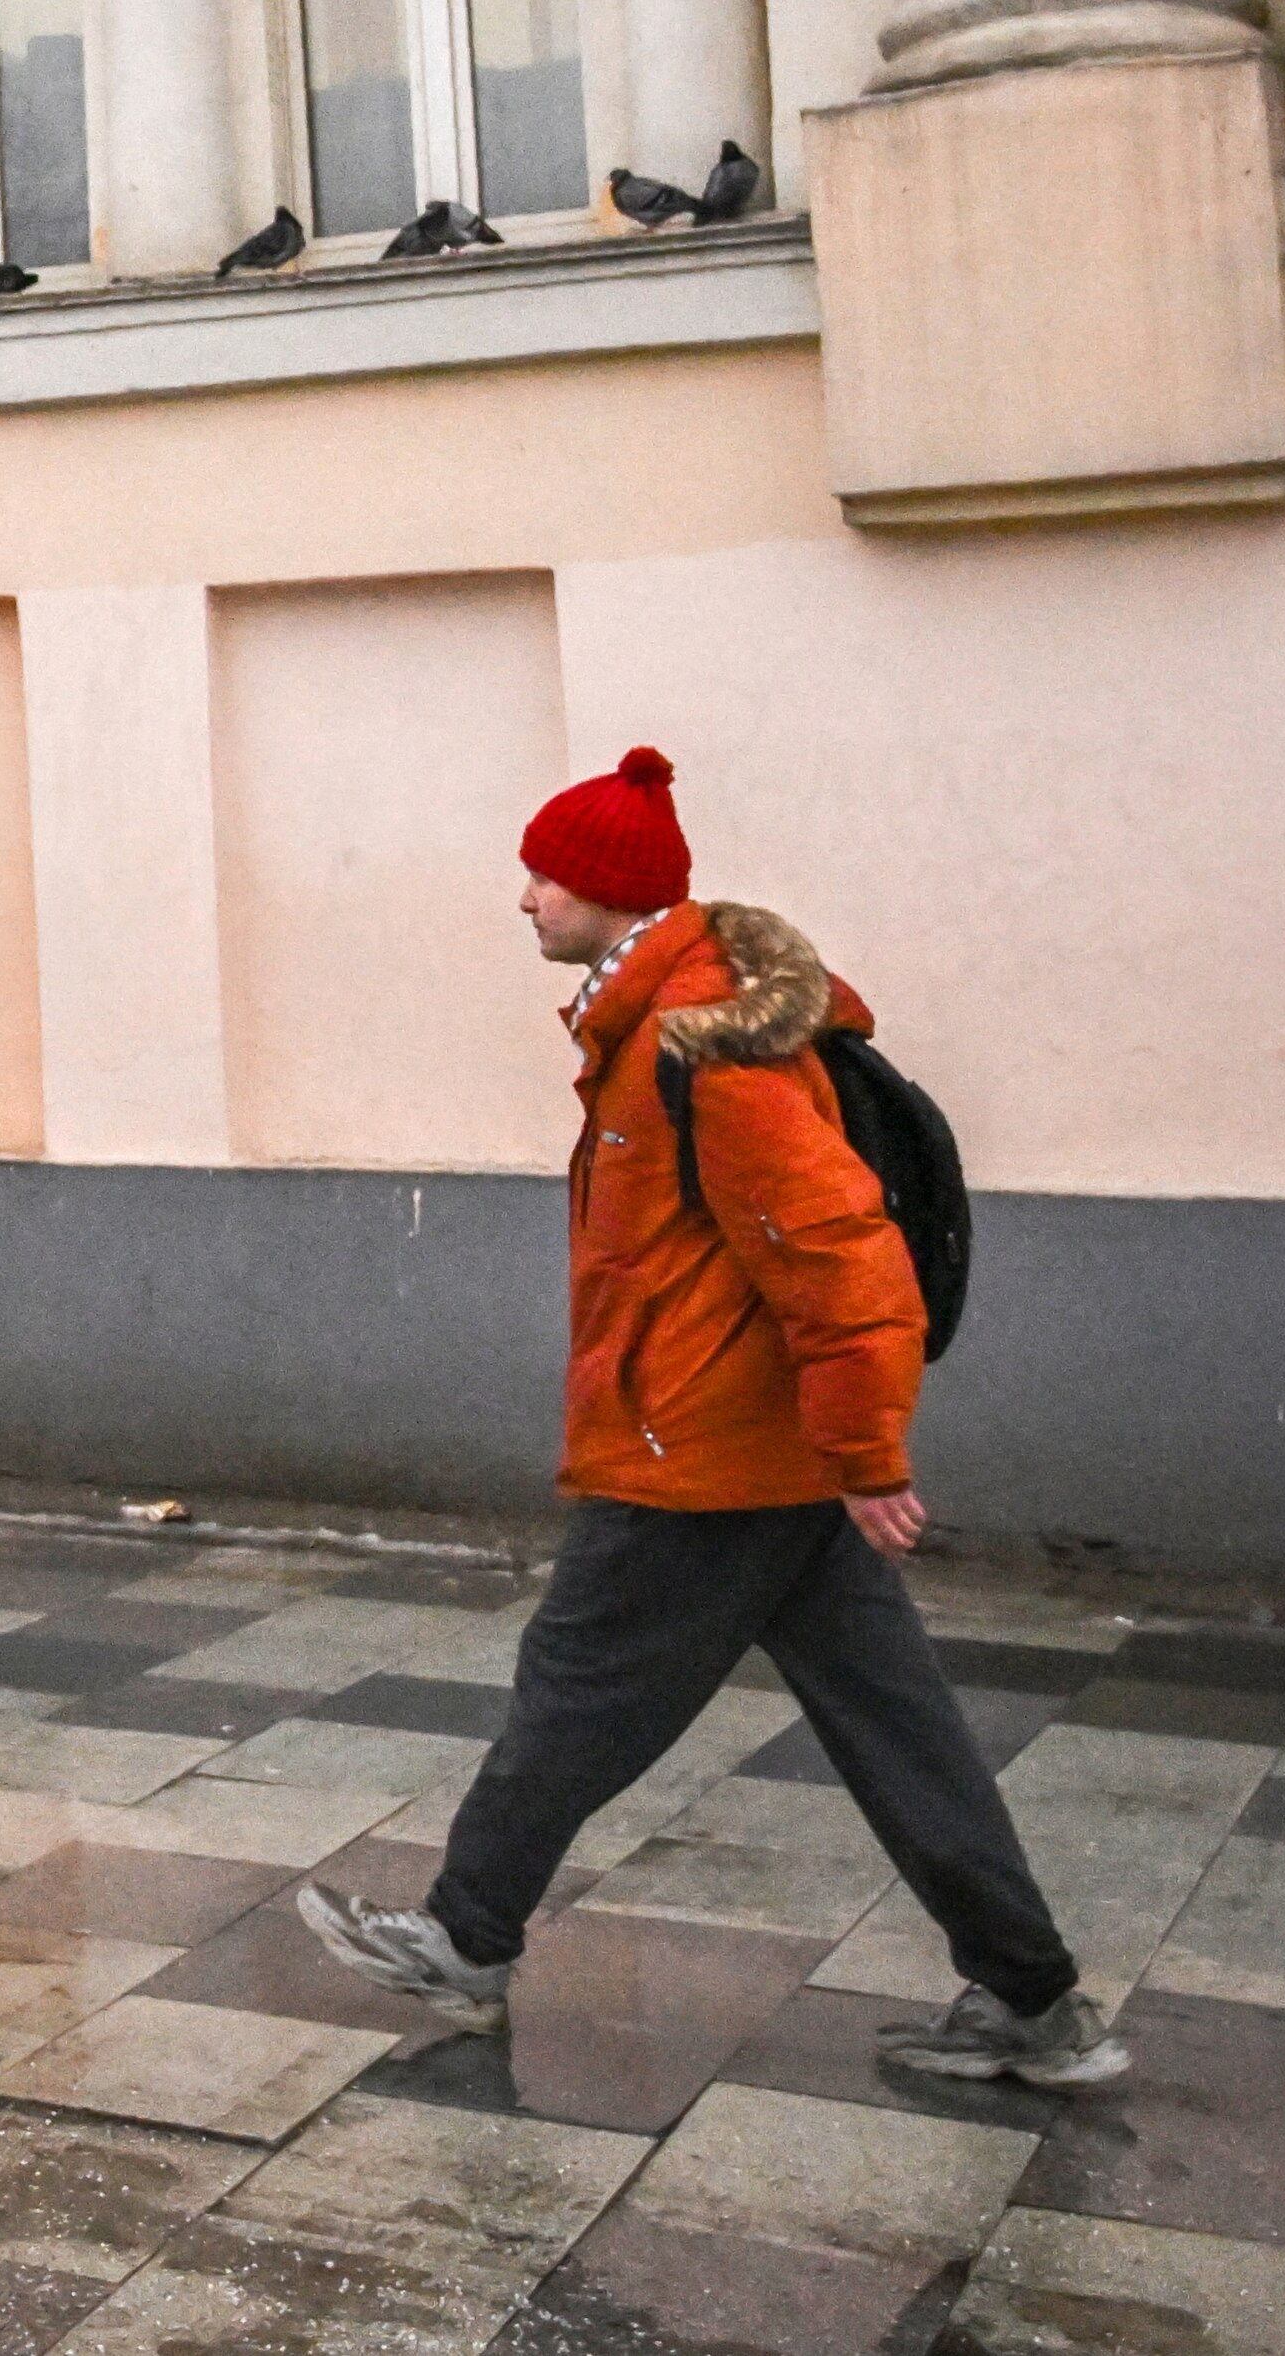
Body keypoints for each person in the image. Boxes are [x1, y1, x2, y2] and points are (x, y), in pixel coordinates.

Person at [296, 746, 1124, 2089]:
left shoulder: (707, 1048)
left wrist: (866, 1451)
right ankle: (1034, 1999)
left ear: (612, 893)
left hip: (704, 1456)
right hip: (762, 1455)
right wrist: (838, 1453)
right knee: (899, 1730)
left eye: (545, 875)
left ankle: (464, 1937)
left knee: (577, 1686)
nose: (524, 898)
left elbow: (840, 1253)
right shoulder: (653, 1029)